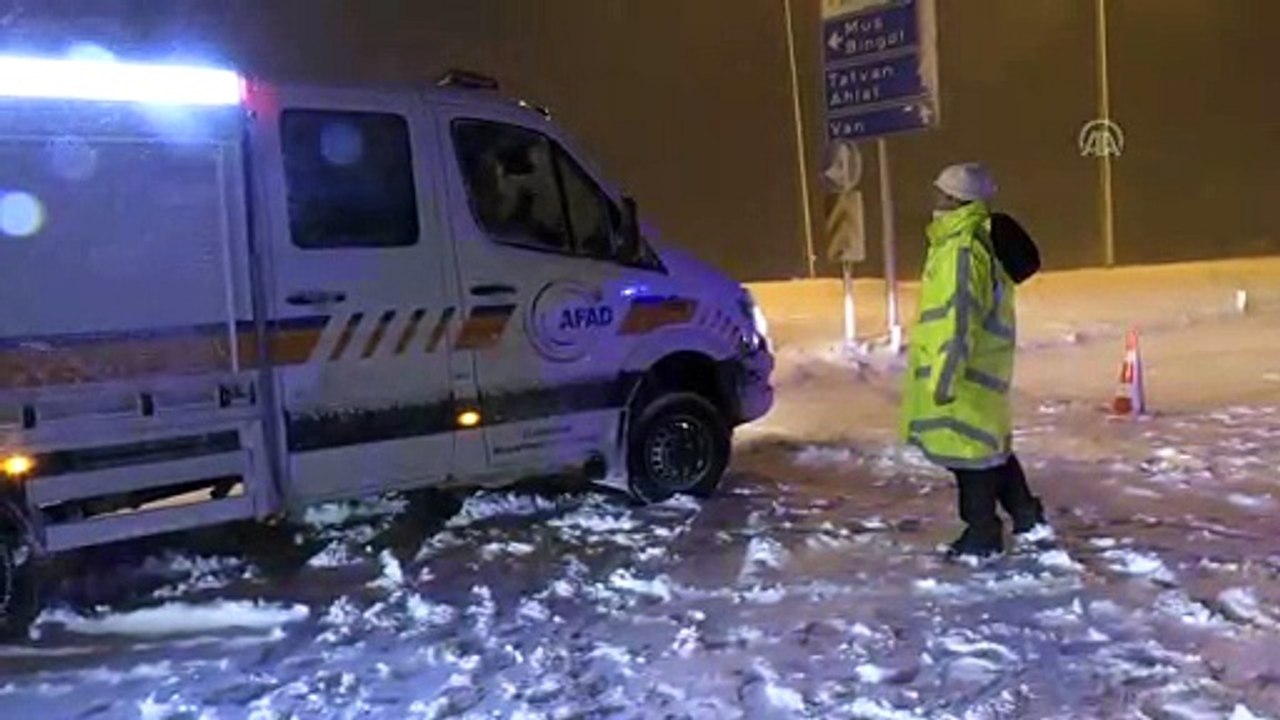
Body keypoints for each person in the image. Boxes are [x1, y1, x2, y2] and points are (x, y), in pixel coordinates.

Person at [901, 163, 1049, 559]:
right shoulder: (969, 240)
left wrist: (947, 373)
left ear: (955, 199)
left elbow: (959, 314)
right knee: (987, 448)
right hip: (981, 366)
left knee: (971, 458)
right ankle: (1026, 514)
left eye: (941, 192)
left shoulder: (963, 247)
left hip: (964, 368)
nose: (935, 199)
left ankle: (982, 533)